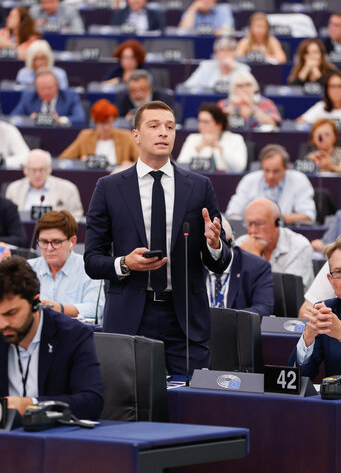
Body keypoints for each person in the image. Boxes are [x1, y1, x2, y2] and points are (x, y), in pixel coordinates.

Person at [84, 100, 231, 375]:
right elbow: (92, 261)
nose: (164, 132)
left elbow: (219, 262)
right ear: (136, 135)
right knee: (130, 409)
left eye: (170, 127)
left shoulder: (200, 186)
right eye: (154, 126)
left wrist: (215, 245)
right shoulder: (109, 187)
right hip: (130, 317)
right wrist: (125, 263)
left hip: (185, 320)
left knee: (191, 408)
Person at [0, 255, 103, 418]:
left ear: (35, 303)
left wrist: (32, 404)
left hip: (54, 438)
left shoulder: (73, 335)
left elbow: (91, 402)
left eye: (11, 313)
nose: (2, 324)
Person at [28, 210, 104, 321]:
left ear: (72, 242)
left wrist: (60, 308)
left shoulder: (88, 268)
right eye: (44, 242)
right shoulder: (29, 268)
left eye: (56, 242)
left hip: (74, 334)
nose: (49, 248)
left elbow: (96, 309)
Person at [289, 237, 341, 379]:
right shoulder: (328, 310)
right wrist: (308, 338)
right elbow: (298, 377)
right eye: (339, 272)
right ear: (330, 280)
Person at [236, 198, 314, 291]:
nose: (252, 231)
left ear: (277, 222)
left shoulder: (300, 247)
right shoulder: (241, 243)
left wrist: (253, 260)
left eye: (259, 223)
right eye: (249, 224)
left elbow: (288, 293)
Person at [226, 144, 316, 224]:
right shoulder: (249, 180)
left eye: (276, 171)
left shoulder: (299, 180)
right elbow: (232, 214)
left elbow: (308, 216)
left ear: (286, 168)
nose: (270, 176)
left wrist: (278, 219)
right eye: (266, 170)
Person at [206, 217, 274, 317]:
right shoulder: (189, 265)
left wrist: (226, 319)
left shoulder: (257, 267)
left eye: (214, 247)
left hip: (236, 329)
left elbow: (264, 308)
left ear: (229, 243)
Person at [59, 99, 139, 168]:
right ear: (95, 122)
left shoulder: (126, 136)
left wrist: (132, 165)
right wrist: (81, 163)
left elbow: (145, 162)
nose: (106, 127)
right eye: (102, 123)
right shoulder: (85, 136)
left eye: (109, 123)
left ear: (114, 121)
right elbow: (63, 159)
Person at [6, 149, 84, 219]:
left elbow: (77, 218)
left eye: (41, 169)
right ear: (25, 170)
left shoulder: (68, 189)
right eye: (33, 170)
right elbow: (7, 219)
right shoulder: (13, 190)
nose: (37, 174)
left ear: (49, 168)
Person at [176, 102, 247, 172]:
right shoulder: (192, 138)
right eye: (200, 121)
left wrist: (221, 150)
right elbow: (181, 166)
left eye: (206, 122)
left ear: (219, 125)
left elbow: (239, 168)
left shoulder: (236, 139)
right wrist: (198, 149)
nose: (201, 126)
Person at [11, 68, 86, 126]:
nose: (46, 92)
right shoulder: (29, 97)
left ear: (57, 86)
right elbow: (14, 117)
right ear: (36, 89)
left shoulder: (69, 96)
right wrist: (29, 120)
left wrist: (60, 120)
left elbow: (80, 118)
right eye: (42, 89)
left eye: (50, 88)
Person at [183, 37, 250, 90]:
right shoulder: (206, 66)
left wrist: (235, 69)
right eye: (222, 50)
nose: (226, 54)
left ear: (235, 53)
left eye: (230, 50)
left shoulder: (243, 69)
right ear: (216, 54)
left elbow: (249, 90)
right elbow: (188, 86)